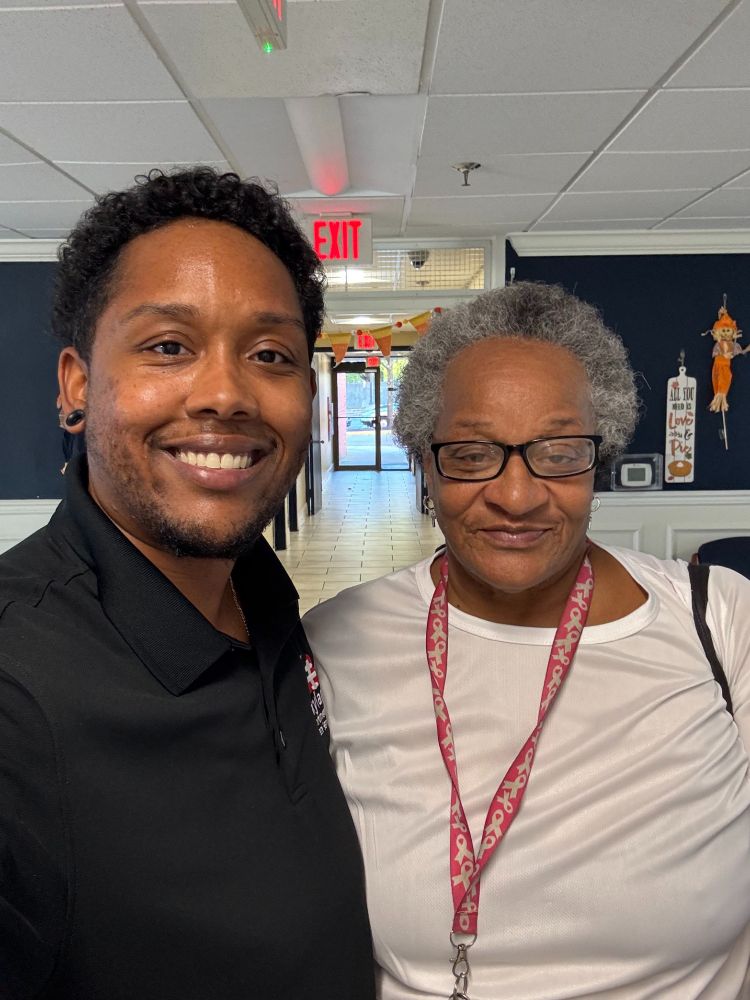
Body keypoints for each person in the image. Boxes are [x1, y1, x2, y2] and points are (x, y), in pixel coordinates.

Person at [303, 281, 750, 999]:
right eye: (474, 453)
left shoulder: (721, 624)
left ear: (597, 458)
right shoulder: (336, 643)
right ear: (424, 459)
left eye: (558, 450)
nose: (517, 495)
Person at [0, 168, 374, 1000]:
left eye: (271, 355)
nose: (226, 394)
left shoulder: (266, 600)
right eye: (169, 346)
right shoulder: (17, 695)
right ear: (75, 384)